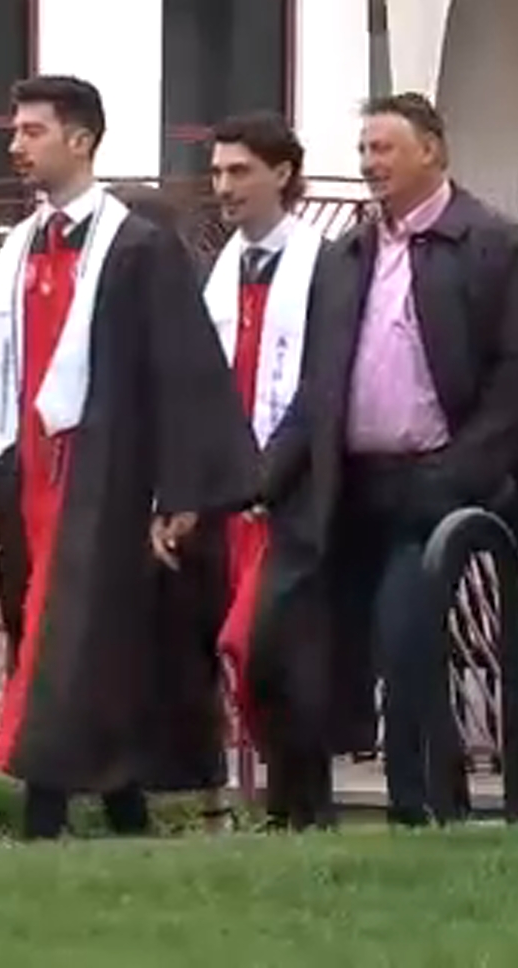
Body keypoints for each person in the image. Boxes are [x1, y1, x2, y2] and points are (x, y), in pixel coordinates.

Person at [0, 75, 261, 841]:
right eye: (16, 131)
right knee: (44, 635)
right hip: (27, 479)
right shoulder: (12, 252)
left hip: (105, 479)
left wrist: (181, 491)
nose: (15, 145)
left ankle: (43, 816)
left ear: (79, 140)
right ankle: (122, 813)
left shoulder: (139, 249)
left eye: (31, 131)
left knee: (86, 644)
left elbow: (183, 373)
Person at [249, 93, 518, 830]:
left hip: (434, 487)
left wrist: (455, 479)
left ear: (432, 151)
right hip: (347, 484)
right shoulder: (349, 254)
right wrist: (260, 480)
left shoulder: (497, 247)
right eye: (363, 151)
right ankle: (301, 810)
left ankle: (419, 810)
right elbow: (318, 386)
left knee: (406, 638)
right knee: (285, 635)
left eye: (384, 149)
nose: (369, 165)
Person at [198, 113, 323, 749]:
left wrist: (272, 474)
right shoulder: (216, 271)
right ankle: (279, 803)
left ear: (282, 173)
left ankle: (299, 798)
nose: (223, 185)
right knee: (241, 648)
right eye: (217, 171)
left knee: (267, 645)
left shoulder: (323, 265)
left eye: (239, 171)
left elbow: (321, 386)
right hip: (228, 492)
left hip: (291, 492)